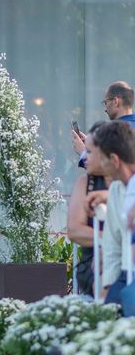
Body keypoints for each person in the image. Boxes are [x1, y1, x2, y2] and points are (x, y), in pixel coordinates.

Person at [86, 121, 135, 303]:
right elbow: (112, 244)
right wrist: (107, 287)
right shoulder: (116, 189)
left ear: (114, 160)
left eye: (101, 158)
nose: (99, 163)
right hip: (126, 274)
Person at [67, 123, 109, 296]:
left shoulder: (128, 184)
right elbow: (74, 231)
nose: (84, 157)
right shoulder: (86, 183)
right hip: (94, 264)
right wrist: (112, 240)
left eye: (89, 152)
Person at [72, 81, 135, 166]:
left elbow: (108, 171)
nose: (105, 109)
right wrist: (93, 145)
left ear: (116, 101)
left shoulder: (116, 131)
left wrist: (83, 152)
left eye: (106, 102)